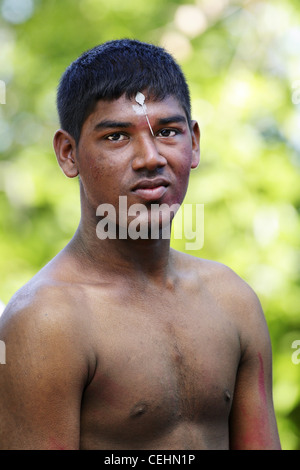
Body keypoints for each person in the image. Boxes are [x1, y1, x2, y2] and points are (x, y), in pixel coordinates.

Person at [0, 39, 281, 450]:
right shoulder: (46, 323)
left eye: (168, 132)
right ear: (68, 153)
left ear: (195, 142)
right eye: (116, 136)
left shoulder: (232, 299)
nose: (150, 157)